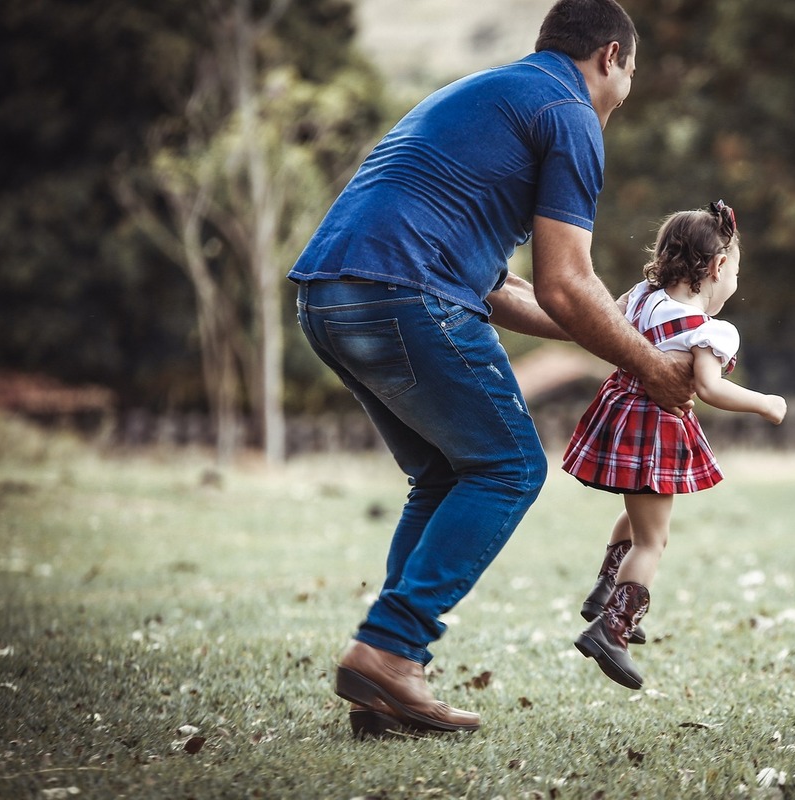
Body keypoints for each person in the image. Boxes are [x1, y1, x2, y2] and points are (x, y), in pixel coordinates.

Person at [289, 0, 694, 737]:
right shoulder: (570, 112)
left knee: (447, 472)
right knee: (509, 467)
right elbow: (567, 286)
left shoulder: (488, 95)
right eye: (630, 73)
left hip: (330, 296)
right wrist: (653, 367)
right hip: (402, 293)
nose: (625, 92)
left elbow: (508, 288)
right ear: (611, 57)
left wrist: (612, 338)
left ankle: (385, 682)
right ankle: (388, 652)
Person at [564, 201, 788, 690]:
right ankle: (613, 630)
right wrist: (765, 403)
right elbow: (710, 389)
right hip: (656, 426)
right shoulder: (710, 330)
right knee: (653, 539)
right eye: (735, 273)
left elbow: (608, 320)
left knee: (638, 507)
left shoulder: (643, 296)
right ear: (718, 266)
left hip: (619, 415)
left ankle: (607, 589)